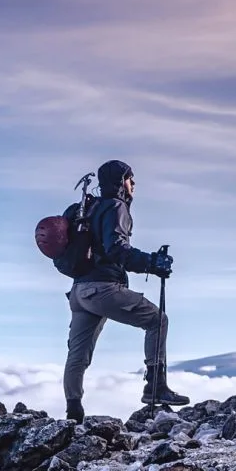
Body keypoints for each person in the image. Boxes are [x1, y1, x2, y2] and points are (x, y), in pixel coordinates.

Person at [61, 159, 190, 423]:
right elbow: (117, 249)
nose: (134, 185)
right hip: (103, 289)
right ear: (122, 182)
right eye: (131, 179)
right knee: (157, 320)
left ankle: (73, 412)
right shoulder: (115, 207)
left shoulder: (88, 208)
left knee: (78, 354)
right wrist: (152, 263)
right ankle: (155, 389)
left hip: (79, 292)